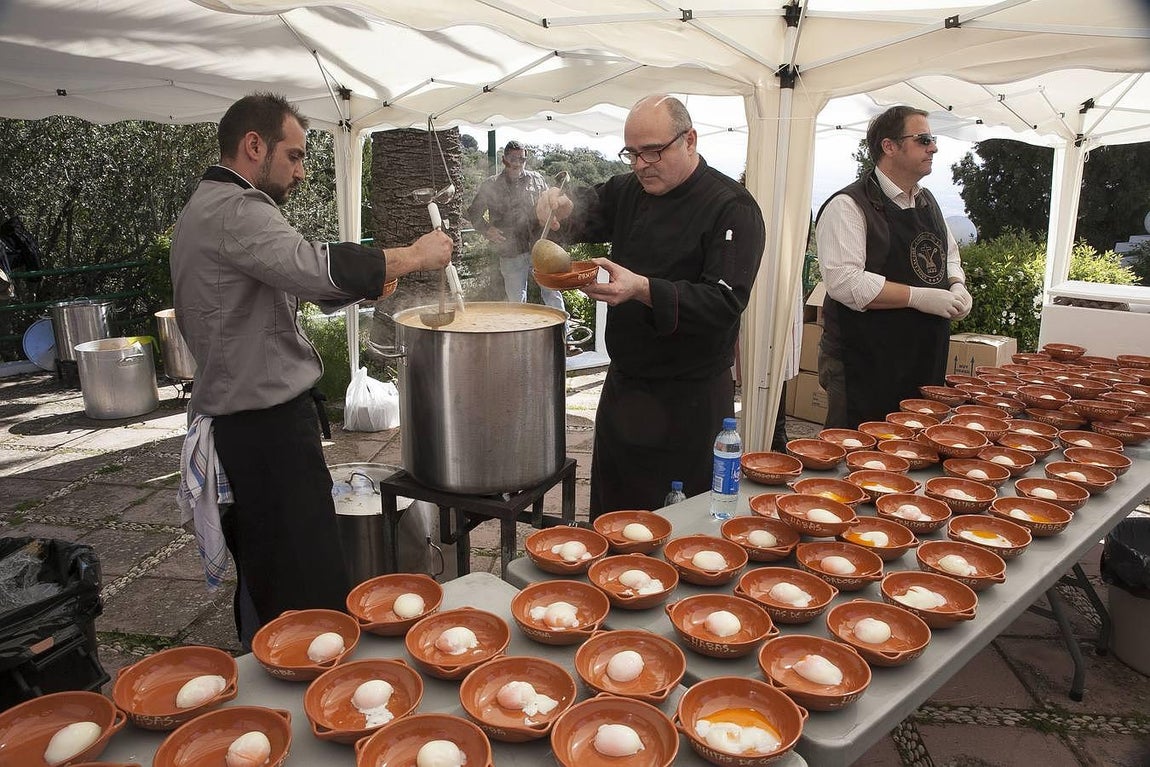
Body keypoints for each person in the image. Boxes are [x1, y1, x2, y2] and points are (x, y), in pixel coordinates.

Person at [170, 93, 452, 647]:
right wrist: (415, 255)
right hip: (266, 428)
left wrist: (366, 282)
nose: (300, 172)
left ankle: (272, 661)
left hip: (245, 422)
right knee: (305, 579)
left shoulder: (209, 207)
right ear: (254, 145)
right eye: (294, 156)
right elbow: (311, 264)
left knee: (267, 566)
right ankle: (308, 684)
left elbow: (281, 283)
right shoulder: (237, 208)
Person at [535, 94, 765, 519]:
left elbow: (723, 302)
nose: (641, 165)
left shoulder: (732, 209)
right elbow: (581, 215)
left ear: (690, 140)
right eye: (632, 153)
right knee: (613, 520)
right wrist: (558, 208)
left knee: (682, 527)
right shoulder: (629, 190)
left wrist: (643, 289)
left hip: (689, 400)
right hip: (626, 389)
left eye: (653, 152)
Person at [815, 105, 972, 430]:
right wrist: (920, 297)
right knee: (857, 452)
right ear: (889, 146)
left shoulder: (928, 201)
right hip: (865, 362)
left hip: (922, 359)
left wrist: (957, 285)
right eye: (923, 139)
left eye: (933, 138)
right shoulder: (848, 206)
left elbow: (949, 254)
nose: (934, 147)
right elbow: (845, 283)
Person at [466, 141, 565, 312]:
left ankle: (563, 335)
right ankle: (521, 338)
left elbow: (549, 205)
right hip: (510, 250)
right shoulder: (491, 184)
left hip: (540, 247)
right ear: (504, 159)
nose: (517, 162)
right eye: (512, 158)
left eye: (522, 158)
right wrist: (487, 230)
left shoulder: (538, 179)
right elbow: (473, 212)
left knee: (553, 295)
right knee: (516, 302)